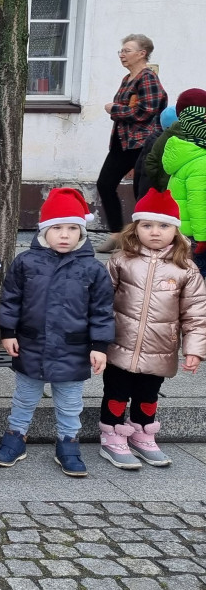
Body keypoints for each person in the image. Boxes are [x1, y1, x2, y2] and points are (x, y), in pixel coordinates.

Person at [0, 188, 114, 477]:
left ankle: (68, 441)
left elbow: (102, 310)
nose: (64, 235)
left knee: (70, 402)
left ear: (82, 232)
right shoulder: (26, 262)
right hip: (31, 343)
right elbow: (10, 299)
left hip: (74, 348)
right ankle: (16, 435)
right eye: (57, 227)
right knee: (24, 395)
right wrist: (7, 332)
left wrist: (100, 345)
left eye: (73, 228)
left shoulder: (93, 269)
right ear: (43, 231)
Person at [99, 189, 206, 469]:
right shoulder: (121, 260)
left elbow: (195, 313)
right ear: (135, 228)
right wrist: (96, 341)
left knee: (148, 394)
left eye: (164, 225)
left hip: (160, 348)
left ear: (176, 230)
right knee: (116, 392)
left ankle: (142, 433)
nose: (155, 232)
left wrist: (193, 350)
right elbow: (101, 301)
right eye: (147, 225)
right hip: (119, 344)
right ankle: (111, 436)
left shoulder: (186, 269)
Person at [96, 34, 168, 253]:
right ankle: (117, 234)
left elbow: (146, 111)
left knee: (143, 191)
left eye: (127, 50)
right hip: (122, 142)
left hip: (142, 143)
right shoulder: (128, 78)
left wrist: (114, 109)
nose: (122, 55)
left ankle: (143, 238)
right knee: (105, 184)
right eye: (121, 51)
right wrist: (117, 111)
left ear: (142, 53)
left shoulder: (148, 78)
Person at [163, 97, 206, 254]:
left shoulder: (185, 154)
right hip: (196, 235)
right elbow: (198, 202)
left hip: (182, 228)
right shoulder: (201, 162)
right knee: (196, 276)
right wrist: (202, 237)